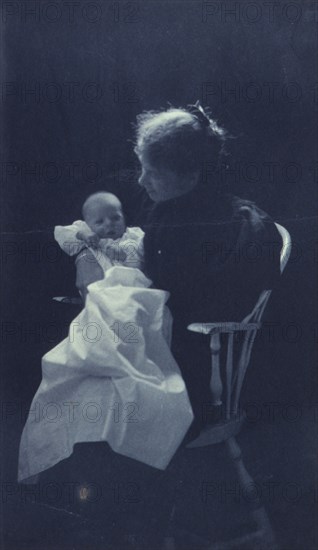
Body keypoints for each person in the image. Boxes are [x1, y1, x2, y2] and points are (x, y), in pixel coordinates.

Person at [134, 102, 281, 432]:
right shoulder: (165, 208)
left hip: (194, 351)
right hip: (166, 330)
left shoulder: (235, 226)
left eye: (153, 172)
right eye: (141, 168)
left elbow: (214, 305)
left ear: (190, 175)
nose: (142, 180)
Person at [54, 191, 145, 302]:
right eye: (99, 221)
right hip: (97, 292)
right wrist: (82, 234)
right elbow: (62, 233)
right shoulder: (89, 234)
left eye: (116, 218)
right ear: (88, 224)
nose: (109, 224)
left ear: (124, 218)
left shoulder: (132, 235)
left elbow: (143, 253)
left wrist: (123, 252)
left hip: (130, 290)